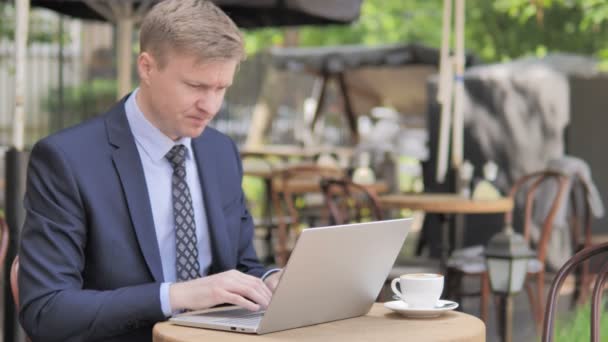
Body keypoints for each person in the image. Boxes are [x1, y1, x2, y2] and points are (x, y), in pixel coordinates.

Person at [18, 1, 280, 341]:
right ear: (147, 67)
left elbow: (242, 269)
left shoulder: (220, 152)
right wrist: (176, 295)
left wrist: (270, 280)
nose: (211, 106)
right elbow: (47, 311)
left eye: (221, 89)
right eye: (196, 86)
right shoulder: (66, 160)